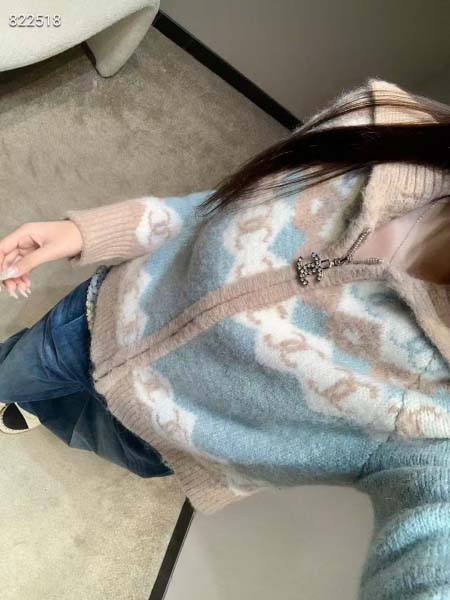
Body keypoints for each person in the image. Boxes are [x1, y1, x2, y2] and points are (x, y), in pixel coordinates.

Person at [1, 78, 450, 598]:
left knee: (76, 425)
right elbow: (220, 213)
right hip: (93, 318)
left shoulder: (436, 422)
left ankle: (46, 406)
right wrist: (91, 232)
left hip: (155, 435)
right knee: (15, 371)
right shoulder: (384, 124)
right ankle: (27, 393)